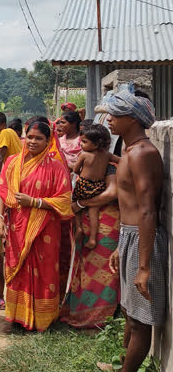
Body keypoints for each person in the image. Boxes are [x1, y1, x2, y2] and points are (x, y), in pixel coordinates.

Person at [102, 87, 167, 372]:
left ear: (134, 118)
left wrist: (143, 267)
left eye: (116, 114)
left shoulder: (142, 152)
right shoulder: (128, 151)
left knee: (141, 321)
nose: (109, 120)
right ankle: (122, 364)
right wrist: (120, 245)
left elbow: (147, 209)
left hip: (143, 239)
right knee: (130, 312)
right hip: (130, 236)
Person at [0, 120, 73, 332]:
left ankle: (42, 320)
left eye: (39, 138)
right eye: (30, 137)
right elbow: (1, 191)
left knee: (44, 270)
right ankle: (14, 319)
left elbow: (65, 200)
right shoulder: (11, 163)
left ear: (49, 141)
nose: (33, 142)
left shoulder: (56, 167)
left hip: (45, 229)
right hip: (17, 227)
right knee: (15, 269)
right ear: (24, 138)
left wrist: (36, 202)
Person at [61, 141, 120, 329]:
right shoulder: (89, 162)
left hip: (107, 222)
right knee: (85, 266)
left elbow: (112, 193)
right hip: (87, 220)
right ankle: (81, 311)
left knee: (103, 270)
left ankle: (100, 317)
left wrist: (84, 203)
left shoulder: (110, 168)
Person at [0, 111, 23, 310]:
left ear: (2, 124)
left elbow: (0, 156)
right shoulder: (10, 133)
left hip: (11, 183)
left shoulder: (6, 133)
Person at [72, 124, 119, 249]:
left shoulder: (84, 155)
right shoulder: (107, 155)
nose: (81, 144)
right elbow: (121, 160)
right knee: (94, 210)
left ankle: (79, 228)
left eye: (84, 141)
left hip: (83, 184)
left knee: (74, 205)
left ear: (97, 143)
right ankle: (93, 238)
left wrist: (80, 173)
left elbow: (76, 169)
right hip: (98, 187)